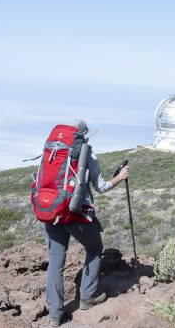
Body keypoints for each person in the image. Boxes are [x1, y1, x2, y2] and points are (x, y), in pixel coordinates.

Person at [44, 119, 130, 327]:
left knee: (56, 261)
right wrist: (120, 176)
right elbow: (101, 187)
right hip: (75, 214)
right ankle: (87, 297)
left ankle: (55, 314)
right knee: (94, 249)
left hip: (51, 210)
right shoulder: (88, 154)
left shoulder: (51, 150)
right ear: (84, 136)